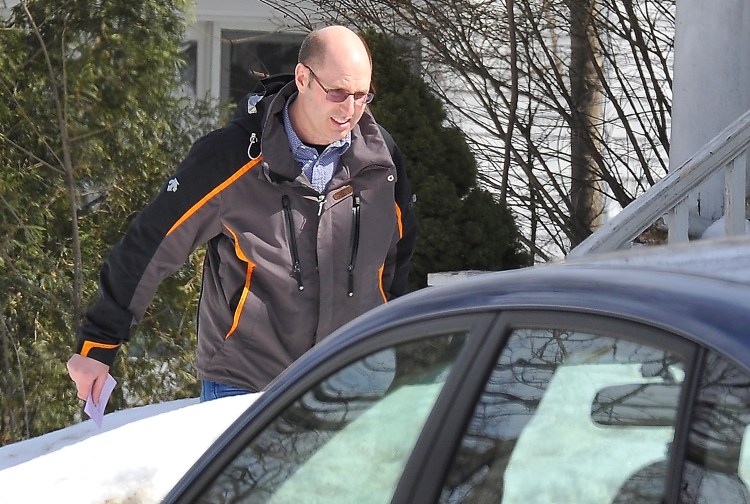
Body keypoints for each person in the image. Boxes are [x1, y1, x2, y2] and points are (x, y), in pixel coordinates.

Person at [67, 25, 417, 404]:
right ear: (303, 78)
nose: (349, 110)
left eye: (362, 96)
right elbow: (152, 243)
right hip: (249, 384)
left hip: (355, 381)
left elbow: (397, 259)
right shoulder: (232, 156)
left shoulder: (380, 159)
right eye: (337, 93)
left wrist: (389, 341)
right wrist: (99, 343)